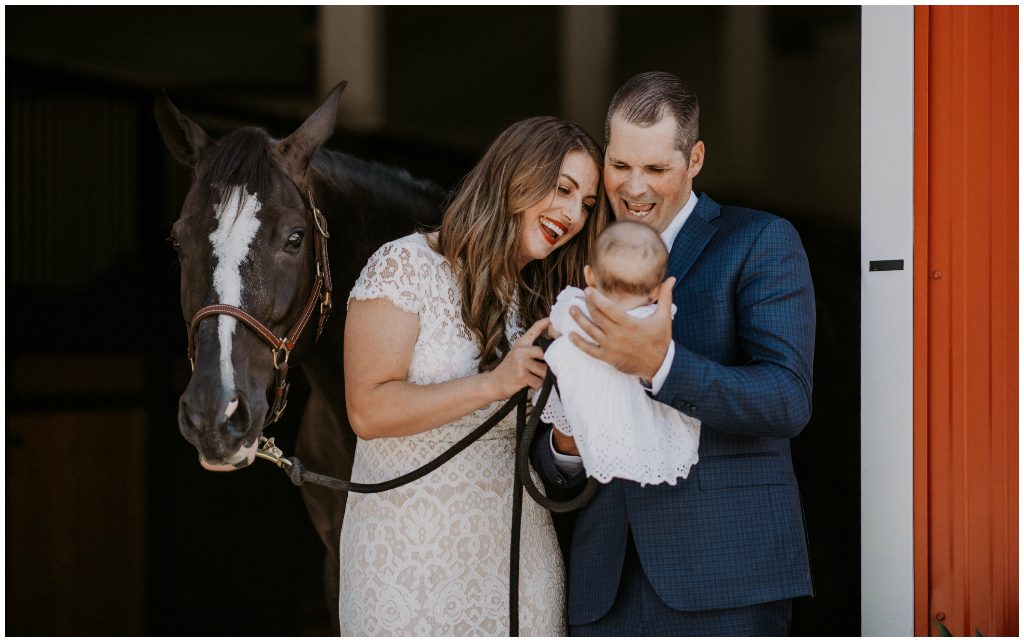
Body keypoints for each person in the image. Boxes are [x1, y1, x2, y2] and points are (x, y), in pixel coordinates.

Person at [533, 71, 816, 635]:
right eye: (620, 166)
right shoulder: (575, 260)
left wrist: (660, 365)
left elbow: (788, 400)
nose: (633, 188)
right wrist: (565, 438)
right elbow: (554, 463)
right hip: (603, 588)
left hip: (727, 579)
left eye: (656, 169)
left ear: (696, 159)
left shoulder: (760, 241)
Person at [341, 116, 605, 635]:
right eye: (563, 188)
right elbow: (366, 410)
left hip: (517, 562)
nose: (573, 215)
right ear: (513, 173)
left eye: (587, 205)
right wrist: (494, 383)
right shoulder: (404, 265)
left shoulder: (542, 304)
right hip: (407, 558)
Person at [539, 221, 700, 486]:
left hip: (591, 404)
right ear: (658, 291)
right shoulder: (654, 319)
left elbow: (555, 329)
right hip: (643, 413)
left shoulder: (577, 307)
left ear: (590, 277)